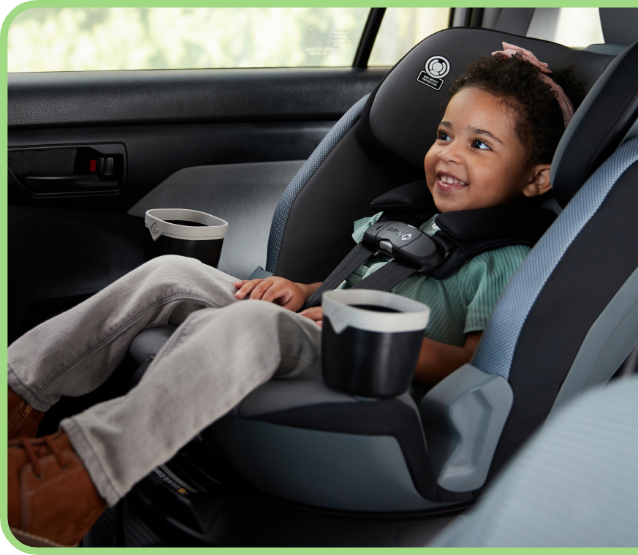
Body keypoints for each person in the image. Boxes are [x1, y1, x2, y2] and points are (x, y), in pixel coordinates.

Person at [7, 44, 585, 547]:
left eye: (481, 145)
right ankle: (18, 392)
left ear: (535, 179)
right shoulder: (415, 217)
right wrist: (302, 288)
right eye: (443, 134)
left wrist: (362, 335)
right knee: (171, 275)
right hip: (312, 327)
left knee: (246, 327)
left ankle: (73, 481)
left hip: (368, 375)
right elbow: (349, 284)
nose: (449, 154)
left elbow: (473, 367)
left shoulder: (503, 261)